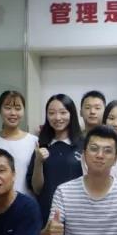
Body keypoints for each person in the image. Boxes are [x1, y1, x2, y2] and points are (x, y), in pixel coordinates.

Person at [27, 94, 84, 223]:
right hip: (47, 214)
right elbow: (37, 189)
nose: (57, 118)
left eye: (63, 112)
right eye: (51, 113)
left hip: (78, 214)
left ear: (72, 114)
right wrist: (38, 161)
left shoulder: (83, 145)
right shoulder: (41, 145)